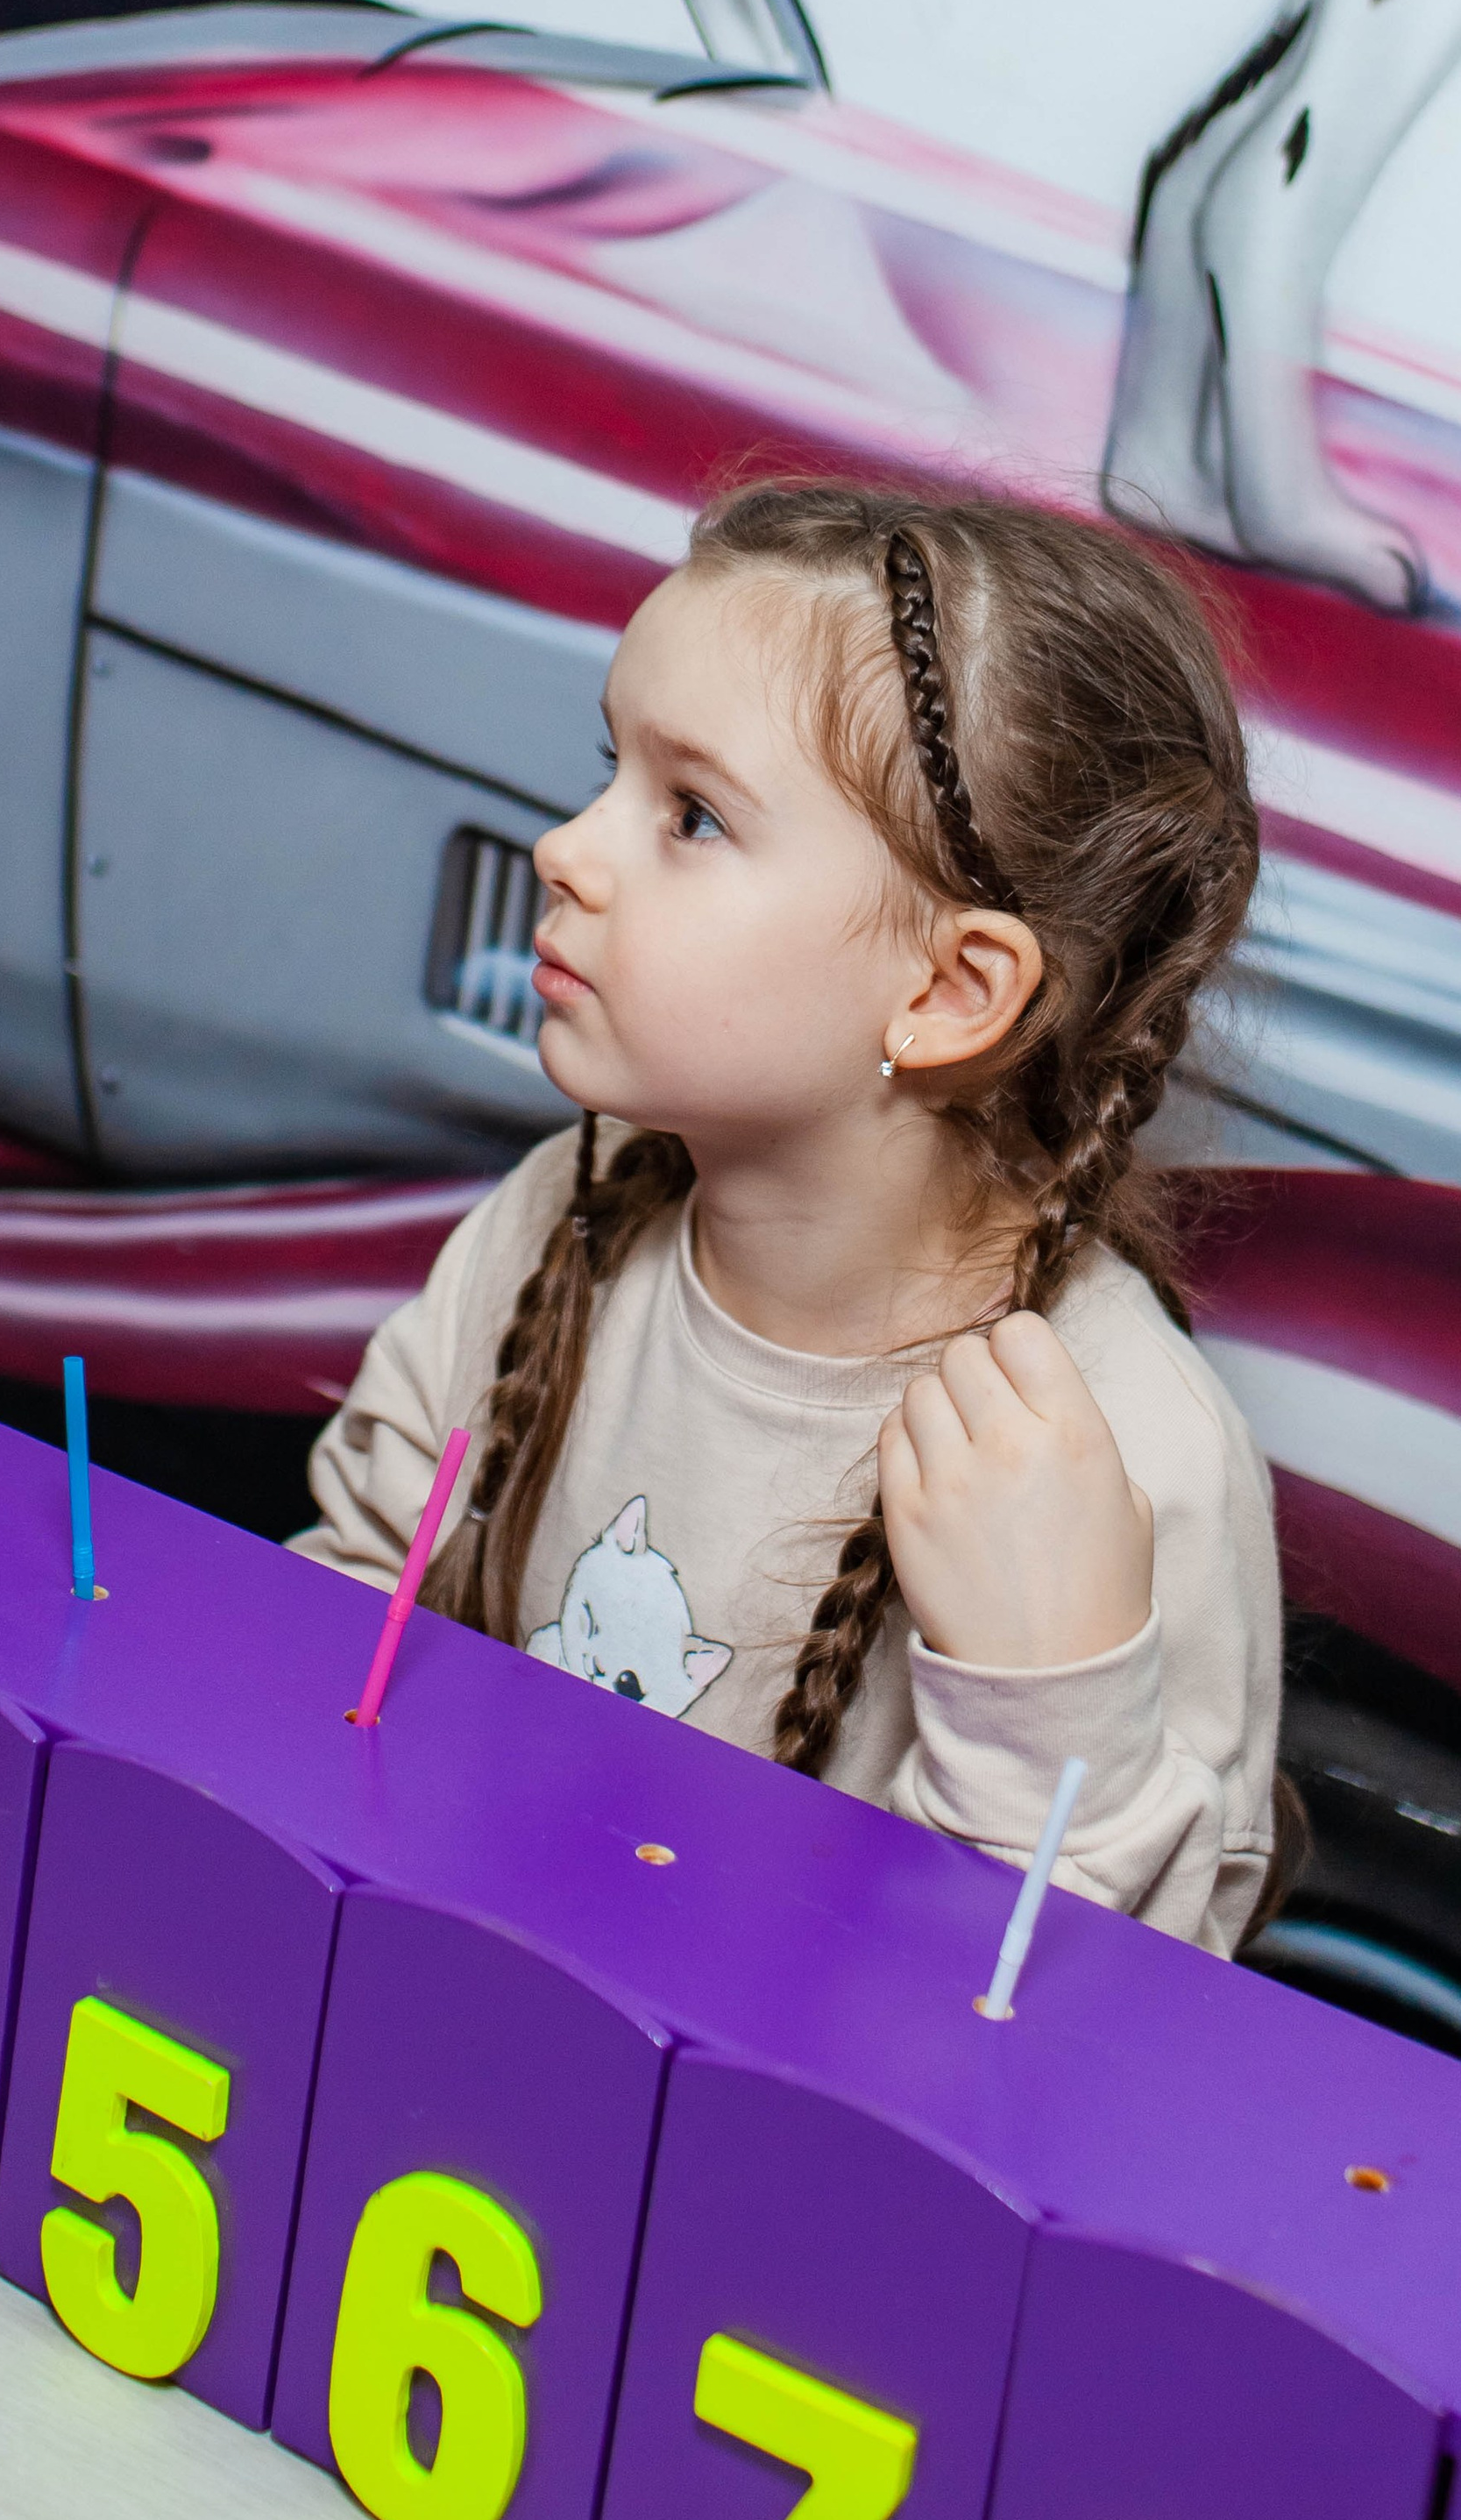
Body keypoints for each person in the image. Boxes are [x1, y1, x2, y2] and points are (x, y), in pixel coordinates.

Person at [294, 480, 1287, 1950]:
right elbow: (337, 1645)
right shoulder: (557, 1213)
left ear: (950, 992)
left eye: (690, 814)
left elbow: (1062, 2048)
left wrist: (1045, 1704)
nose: (567, 848)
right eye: (608, 771)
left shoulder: (1139, 1463)